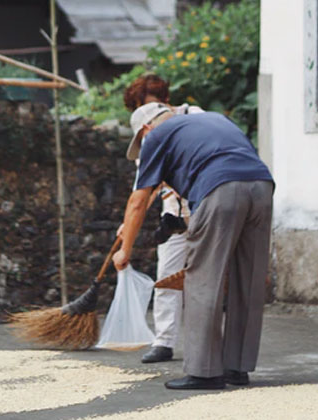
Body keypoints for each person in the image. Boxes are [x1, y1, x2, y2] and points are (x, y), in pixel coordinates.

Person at [113, 102, 274, 390]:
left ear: (146, 129)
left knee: (202, 279)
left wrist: (125, 250)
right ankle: (237, 369)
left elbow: (138, 200)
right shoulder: (211, 120)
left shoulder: (157, 137)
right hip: (262, 187)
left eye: (140, 141)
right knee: (248, 280)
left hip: (220, 188)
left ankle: (205, 372)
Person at [122, 75, 204, 364]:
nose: (152, 111)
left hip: (203, 208)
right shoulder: (148, 139)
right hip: (173, 214)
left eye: (153, 104)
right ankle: (164, 341)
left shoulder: (194, 116)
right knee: (166, 276)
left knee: (206, 277)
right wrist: (129, 223)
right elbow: (143, 188)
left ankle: (206, 342)